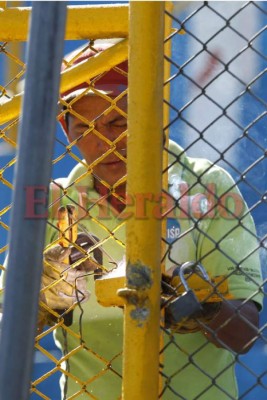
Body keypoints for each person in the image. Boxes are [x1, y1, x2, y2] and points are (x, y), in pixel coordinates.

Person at [5, 41, 264, 399]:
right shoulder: (53, 203)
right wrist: (49, 298)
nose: (106, 141)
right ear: (67, 132)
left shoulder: (207, 187)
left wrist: (199, 306)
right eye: (85, 127)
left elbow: (246, 334)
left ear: (150, 118)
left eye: (118, 122)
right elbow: (8, 333)